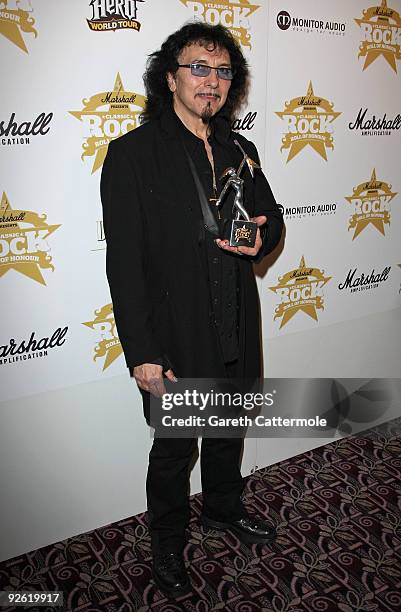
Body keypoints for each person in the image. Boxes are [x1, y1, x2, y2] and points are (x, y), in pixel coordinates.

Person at [101, 22, 284, 599]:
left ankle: (224, 509)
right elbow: (124, 266)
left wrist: (261, 239)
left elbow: (270, 220)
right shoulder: (132, 155)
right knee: (176, 449)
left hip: (235, 320)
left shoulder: (240, 149)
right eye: (199, 68)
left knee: (228, 427)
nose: (213, 81)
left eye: (224, 70)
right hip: (174, 334)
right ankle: (167, 541)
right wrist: (144, 354)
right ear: (170, 77)